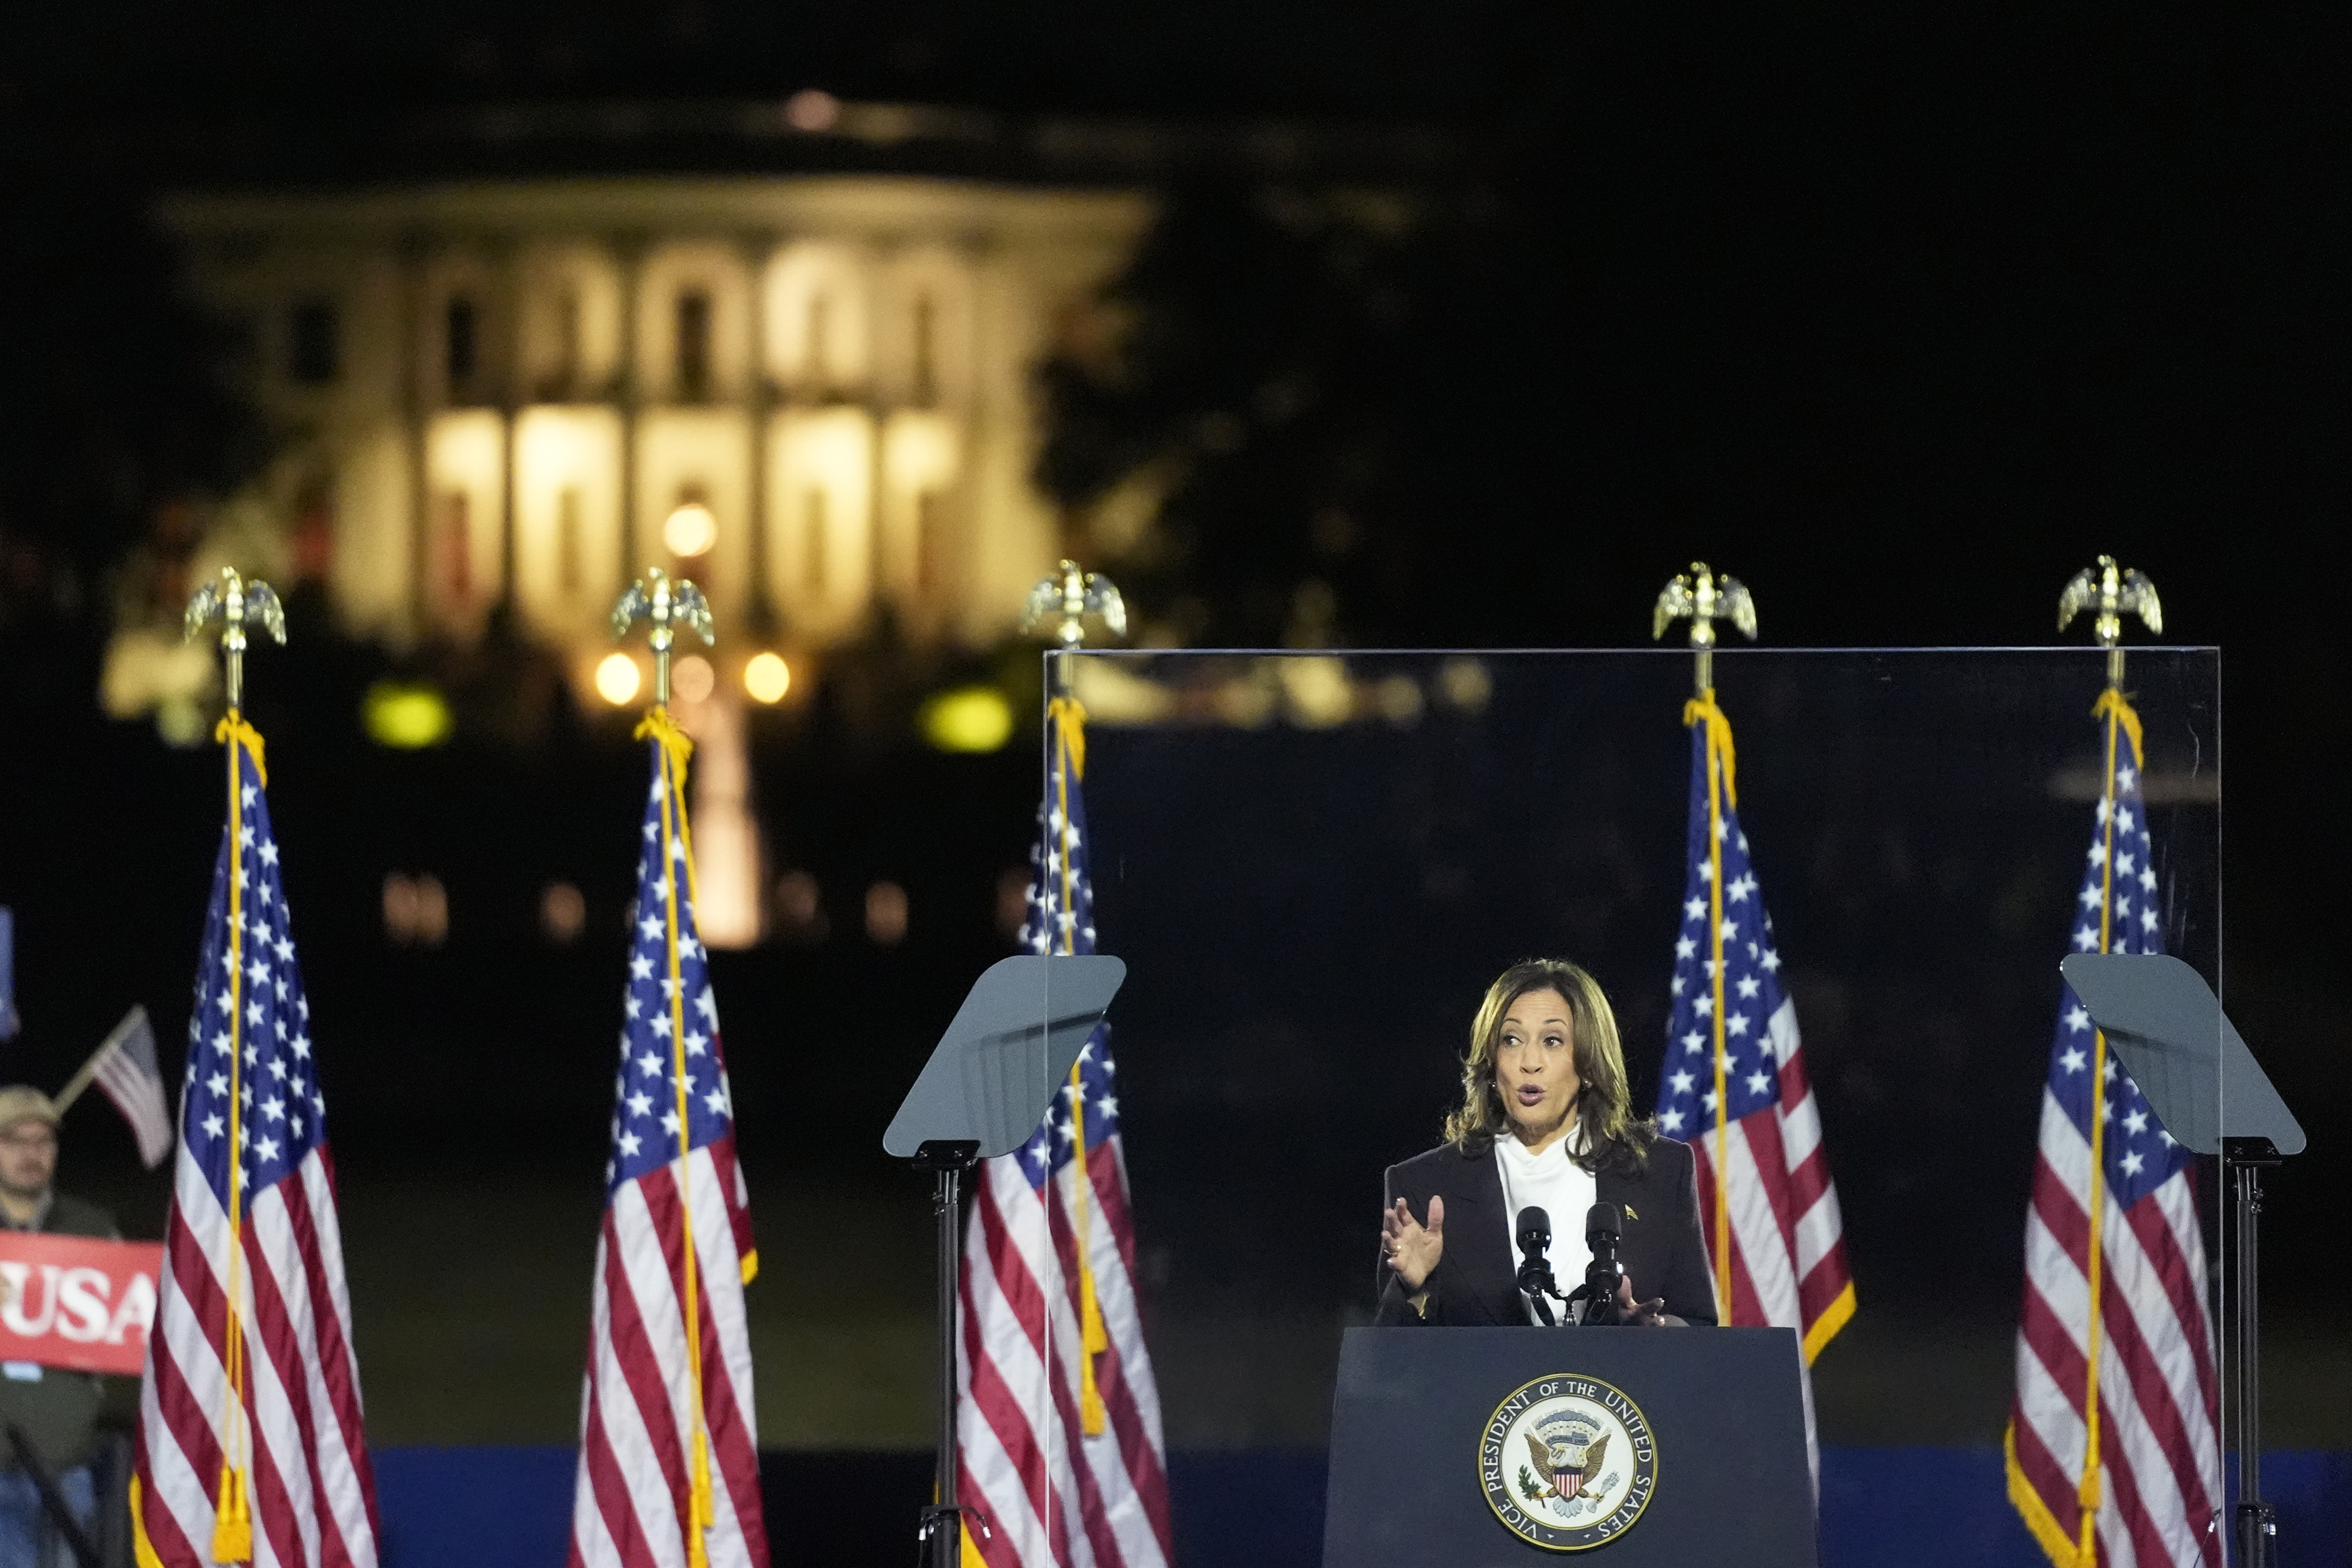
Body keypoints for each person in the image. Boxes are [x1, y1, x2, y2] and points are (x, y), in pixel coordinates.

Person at [1377, 959, 1717, 1327]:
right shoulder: (1425, 1187)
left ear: (1588, 1063)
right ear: (1492, 1064)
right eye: (1512, 1040)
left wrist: (1655, 1331)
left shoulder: (1662, 1171)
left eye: (1552, 1041)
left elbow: (1697, 1325)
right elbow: (1392, 1369)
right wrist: (1413, 1287)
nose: (1530, 1062)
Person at [0, 1086, 127, 1568]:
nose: (32, 1154)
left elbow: (132, 1330)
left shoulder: (93, 1229)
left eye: (43, 1141)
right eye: (15, 1141)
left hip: (66, 1463)